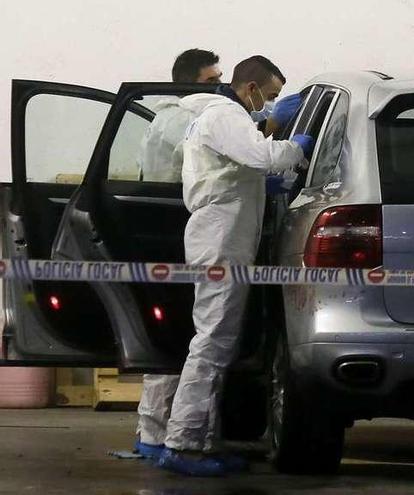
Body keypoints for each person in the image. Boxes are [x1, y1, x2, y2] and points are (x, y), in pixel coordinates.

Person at [155, 55, 313, 477]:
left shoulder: (222, 118)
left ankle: (200, 441)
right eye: (272, 96)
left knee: (217, 342)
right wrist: (294, 147)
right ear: (252, 89)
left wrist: (263, 181)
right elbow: (263, 156)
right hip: (220, 238)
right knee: (211, 342)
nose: (272, 104)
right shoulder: (225, 114)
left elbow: (236, 169)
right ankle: (183, 444)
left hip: (223, 235)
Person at [134, 48, 223, 461]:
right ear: (186, 80)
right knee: (177, 335)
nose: (218, 87)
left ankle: (152, 435)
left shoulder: (169, 115)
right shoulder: (180, 118)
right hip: (174, 230)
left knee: (171, 335)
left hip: (170, 227)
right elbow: (208, 155)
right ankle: (163, 438)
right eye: (210, 80)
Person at [136, 49, 222, 182]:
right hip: (173, 198)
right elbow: (215, 164)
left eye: (219, 78)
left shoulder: (166, 115)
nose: (219, 86)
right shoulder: (185, 119)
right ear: (189, 85)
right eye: (211, 81)